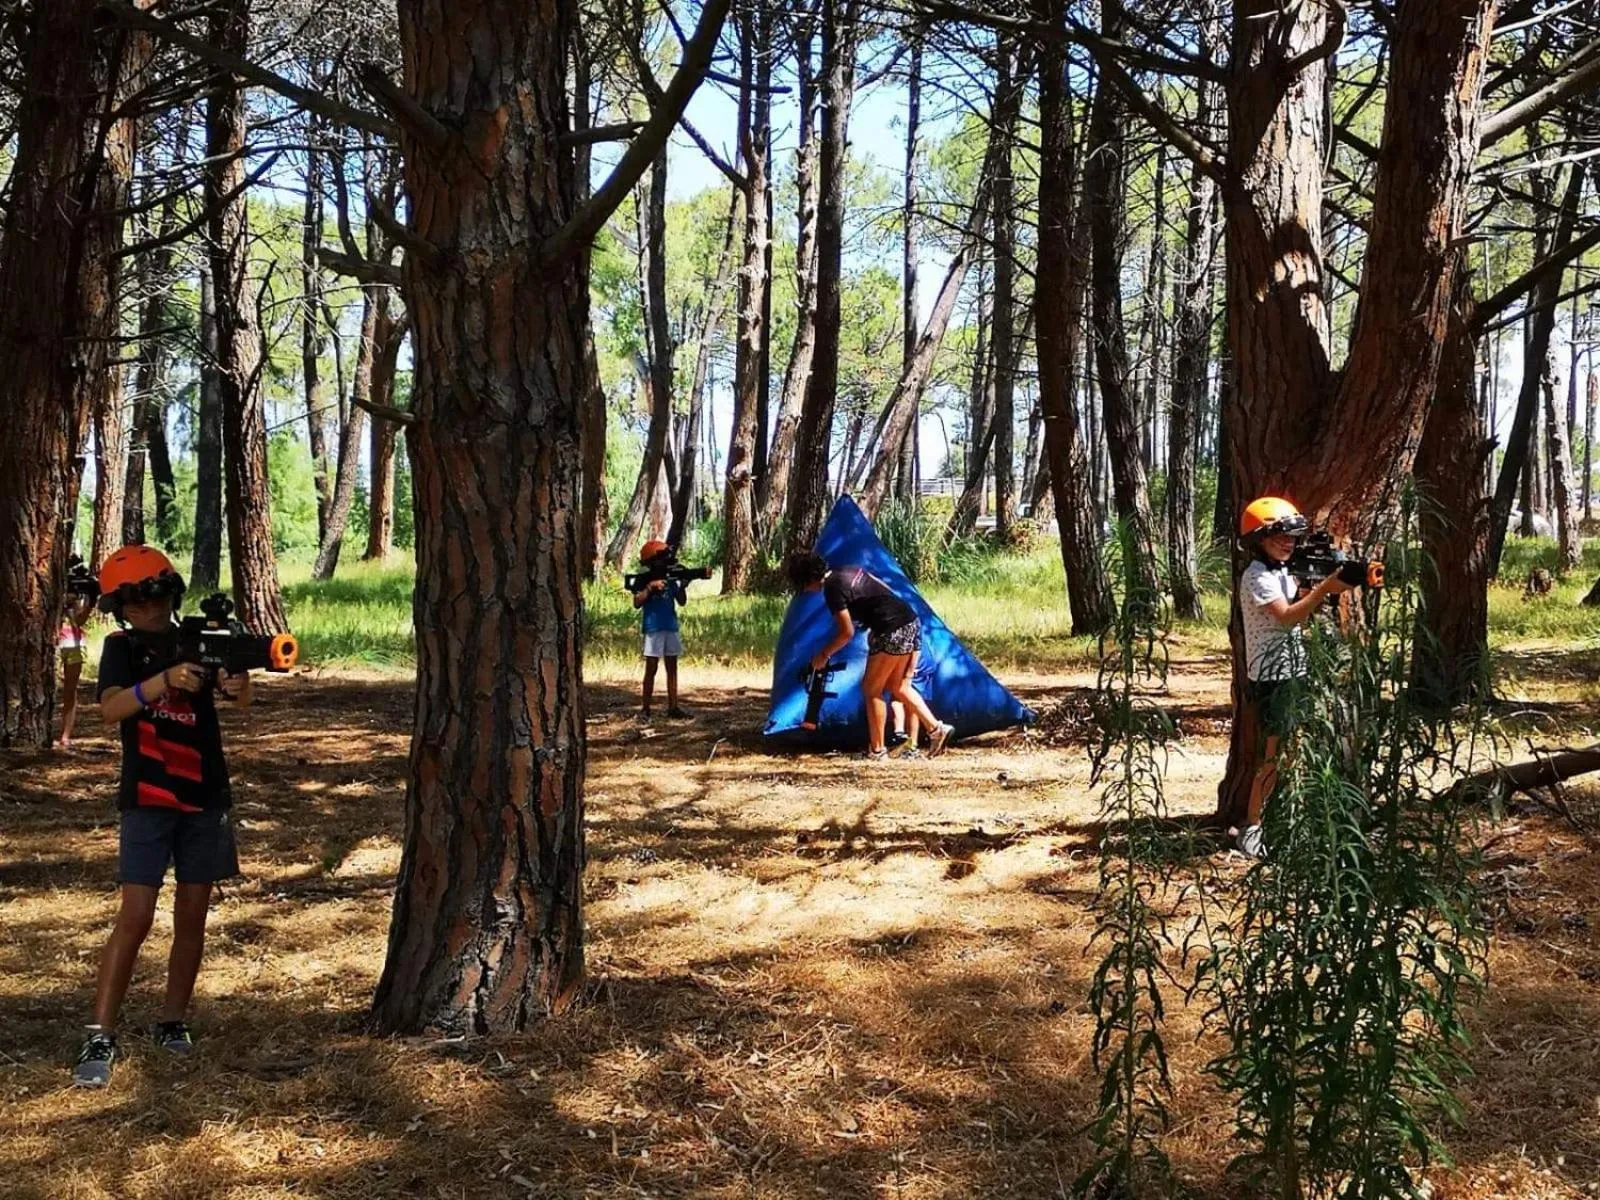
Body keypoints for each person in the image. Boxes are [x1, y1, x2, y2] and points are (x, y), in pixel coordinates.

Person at [73, 545, 251, 1089]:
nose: (150, 609)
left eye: (157, 597)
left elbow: (240, 696)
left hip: (205, 795)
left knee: (192, 913)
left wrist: (236, 683)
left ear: (173, 594)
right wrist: (163, 681)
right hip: (148, 797)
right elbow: (110, 708)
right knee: (137, 914)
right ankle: (100, 1032)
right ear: (120, 608)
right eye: (136, 601)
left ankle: (173, 1021)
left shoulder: (198, 637)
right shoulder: (120, 647)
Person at [1236, 497, 1357, 859]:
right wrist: (1324, 590)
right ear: (1259, 539)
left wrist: (1324, 583)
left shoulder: (1281, 572)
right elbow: (1287, 616)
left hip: (1293, 670)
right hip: (1273, 676)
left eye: (1292, 537)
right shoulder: (1257, 576)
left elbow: (1298, 600)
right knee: (1273, 755)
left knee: (1292, 751)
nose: (1288, 543)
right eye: (1279, 537)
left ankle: (1284, 821)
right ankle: (1253, 827)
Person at [786, 551, 953, 761]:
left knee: (871, 688)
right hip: (909, 620)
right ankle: (936, 729)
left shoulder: (832, 588)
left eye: (802, 586)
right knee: (898, 686)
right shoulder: (847, 570)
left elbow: (846, 632)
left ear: (807, 579)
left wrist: (823, 655)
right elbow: (885, 590)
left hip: (891, 628)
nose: (805, 591)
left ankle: (877, 751)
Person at [633, 540, 689, 720]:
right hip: (653, 628)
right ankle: (645, 709)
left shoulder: (670, 577)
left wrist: (683, 586)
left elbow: (681, 601)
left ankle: (673, 707)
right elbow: (637, 602)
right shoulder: (643, 580)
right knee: (651, 668)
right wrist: (650, 588)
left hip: (670, 626)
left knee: (672, 668)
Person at [57, 587, 96, 749]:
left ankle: (65, 735)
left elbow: (79, 620)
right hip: (52, 643)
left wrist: (90, 604)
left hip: (73, 644)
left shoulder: (80, 590)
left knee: (70, 689)